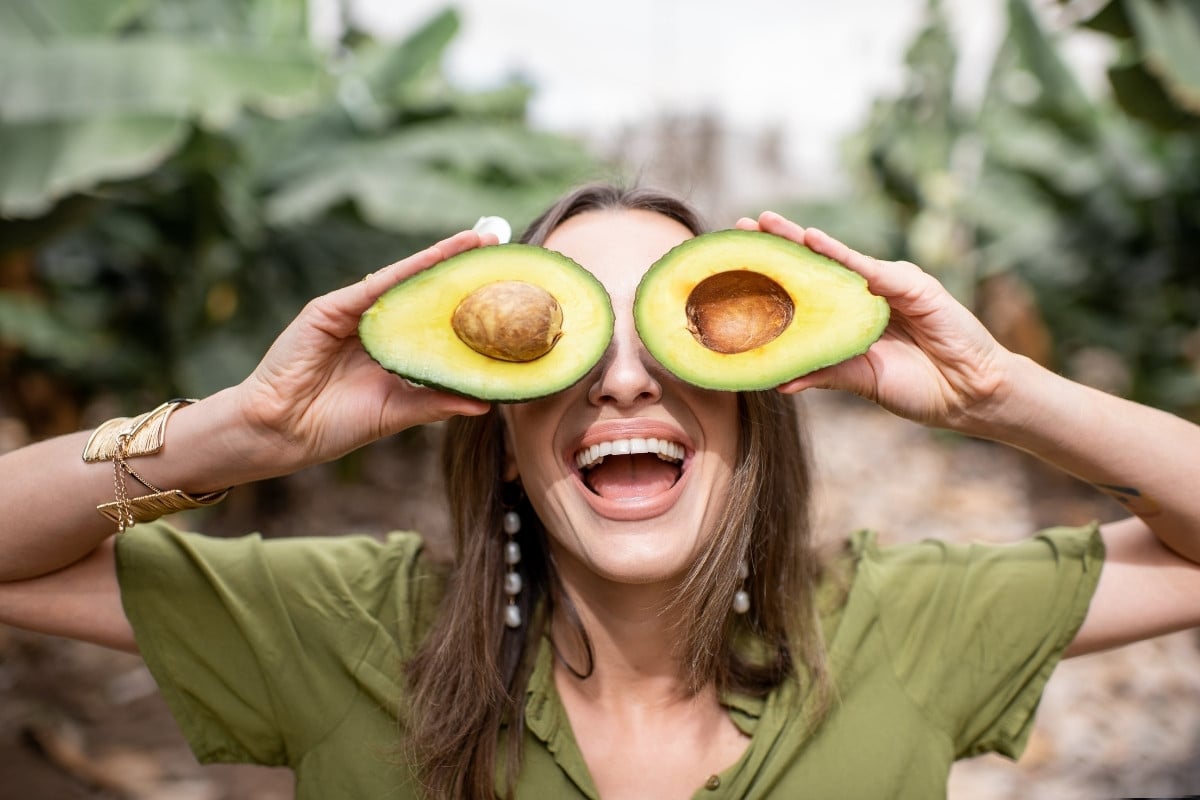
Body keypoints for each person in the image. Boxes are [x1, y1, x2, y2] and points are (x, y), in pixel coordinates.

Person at [2, 183, 1199, 800]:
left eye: (677, 334)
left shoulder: (903, 621)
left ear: (754, 403)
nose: (624, 376)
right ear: (501, 424)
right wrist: (236, 432)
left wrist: (1000, 391)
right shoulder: (355, 624)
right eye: (567, 340)